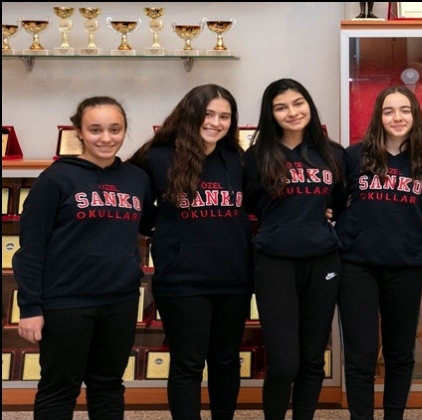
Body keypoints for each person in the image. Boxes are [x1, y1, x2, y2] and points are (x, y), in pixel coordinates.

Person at [13, 96, 151, 420]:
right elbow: (31, 248)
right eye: (95, 129)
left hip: (120, 300)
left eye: (115, 129)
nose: (106, 138)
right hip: (66, 301)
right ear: (78, 131)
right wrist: (30, 307)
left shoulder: (137, 179)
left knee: (109, 386)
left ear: (125, 130)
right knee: (60, 387)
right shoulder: (55, 179)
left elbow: (152, 223)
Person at [127, 84, 253, 420]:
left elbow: (259, 203)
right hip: (182, 280)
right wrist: (162, 228)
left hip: (234, 278)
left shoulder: (238, 159)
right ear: (190, 114)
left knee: (226, 361)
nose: (216, 122)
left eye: (224, 116)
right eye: (208, 114)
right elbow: (132, 200)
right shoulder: (157, 156)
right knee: (188, 363)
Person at [336, 85, 422, 420]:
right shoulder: (354, 156)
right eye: (388, 111)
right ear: (378, 117)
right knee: (361, 354)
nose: (397, 117)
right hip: (357, 265)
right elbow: (333, 202)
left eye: (404, 110)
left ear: (415, 116)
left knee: (400, 353)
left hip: (405, 265)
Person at [243, 78, 347, 420]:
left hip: (323, 262)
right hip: (275, 263)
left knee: (312, 359)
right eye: (281, 107)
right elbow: (248, 204)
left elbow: (338, 203)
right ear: (270, 114)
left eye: (298, 103)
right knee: (284, 362)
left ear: (309, 105)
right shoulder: (256, 157)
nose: (292, 112)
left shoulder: (333, 153)